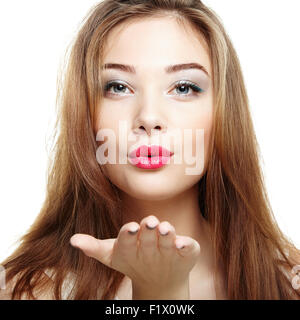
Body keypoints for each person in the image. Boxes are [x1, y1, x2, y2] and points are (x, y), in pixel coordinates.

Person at [1, 0, 300, 300]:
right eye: (118, 87)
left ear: (224, 113)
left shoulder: (288, 285)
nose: (149, 118)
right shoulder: (20, 290)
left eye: (183, 88)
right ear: (85, 114)